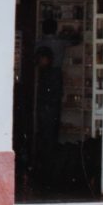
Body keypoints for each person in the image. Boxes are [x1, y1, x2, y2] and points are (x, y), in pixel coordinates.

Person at [34, 46, 63, 182]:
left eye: (42, 59)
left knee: (49, 143)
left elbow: (55, 95)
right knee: (44, 142)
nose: (40, 61)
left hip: (49, 113)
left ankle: (48, 174)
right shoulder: (42, 72)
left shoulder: (53, 73)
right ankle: (44, 172)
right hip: (45, 113)